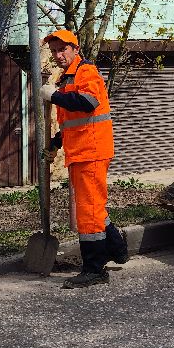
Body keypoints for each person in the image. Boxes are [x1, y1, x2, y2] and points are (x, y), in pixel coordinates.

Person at [40, 28, 128, 289]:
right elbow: (72, 122)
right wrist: (56, 144)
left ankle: (94, 269)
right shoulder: (67, 77)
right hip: (82, 151)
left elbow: (88, 103)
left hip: (91, 152)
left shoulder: (86, 72)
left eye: (62, 49)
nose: (58, 55)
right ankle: (117, 248)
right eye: (54, 50)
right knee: (94, 205)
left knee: (88, 210)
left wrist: (53, 96)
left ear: (75, 49)